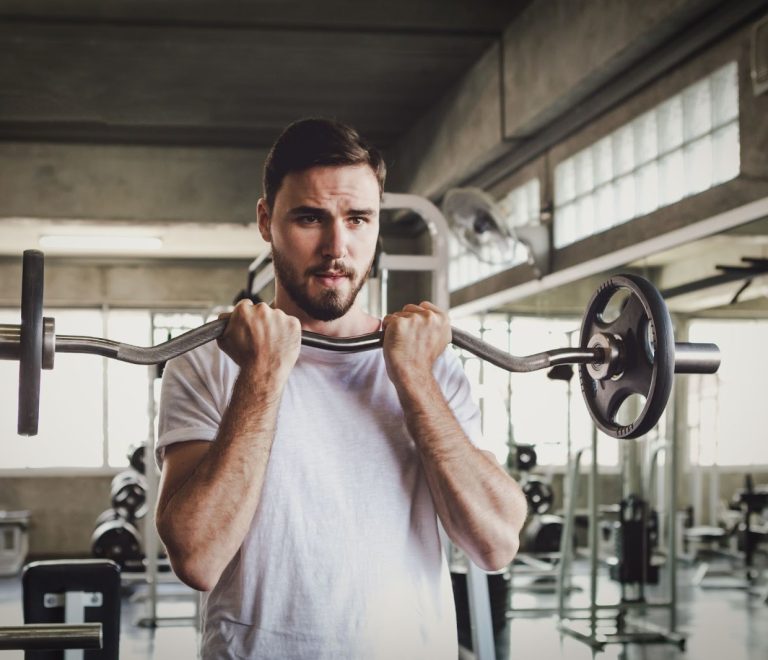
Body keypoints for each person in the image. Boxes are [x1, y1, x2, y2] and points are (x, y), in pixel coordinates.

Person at [155, 118, 527, 659]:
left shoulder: (430, 366)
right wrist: (261, 376)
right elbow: (197, 558)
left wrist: (414, 379)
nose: (337, 246)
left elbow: (496, 543)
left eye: (358, 219)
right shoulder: (207, 361)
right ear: (266, 221)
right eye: (310, 218)